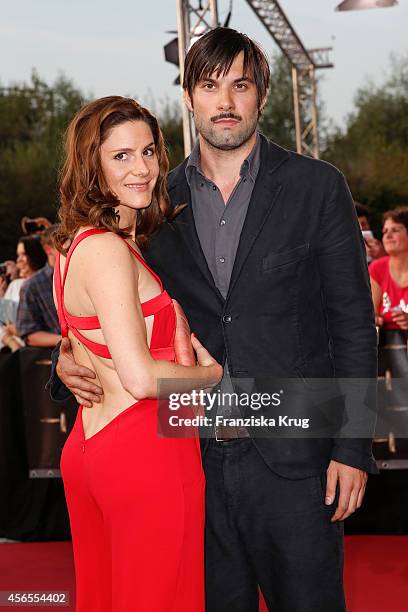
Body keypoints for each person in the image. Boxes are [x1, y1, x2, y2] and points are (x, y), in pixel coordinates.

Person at [50, 29, 378, 612]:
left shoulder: (316, 187)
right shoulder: (154, 203)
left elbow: (353, 323)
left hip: (295, 459)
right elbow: (110, 305)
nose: (225, 101)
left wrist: (352, 448)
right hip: (189, 458)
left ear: (261, 96)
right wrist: (65, 361)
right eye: (209, 85)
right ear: (189, 98)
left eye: (241, 85)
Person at [50, 95, 222, 612]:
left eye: (148, 152)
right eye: (120, 156)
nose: (142, 168)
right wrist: (210, 375)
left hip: (94, 447)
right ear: (91, 165)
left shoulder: (75, 245)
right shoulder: (105, 248)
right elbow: (142, 377)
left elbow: (80, 339)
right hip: (146, 453)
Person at [15, 226, 61, 347]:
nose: (71, 250)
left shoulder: (81, 274)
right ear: (48, 249)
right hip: (55, 358)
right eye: (63, 245)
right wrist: (66, 341)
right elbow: (28, 334)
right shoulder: (32, 286)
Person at [369, 206, 408, 330]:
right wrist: (374, 318)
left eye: (395, 230)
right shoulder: (377, 268)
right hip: (386, 345)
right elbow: (370, 312)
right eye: (385, 231)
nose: (388, 235)